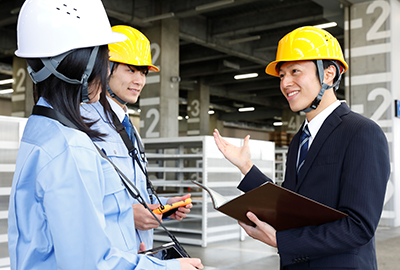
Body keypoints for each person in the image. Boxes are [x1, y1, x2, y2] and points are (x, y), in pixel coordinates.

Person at [7, 0, 203, 269]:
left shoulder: (45, 127)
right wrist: (170, 267)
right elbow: (90, 261)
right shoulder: (73, 142)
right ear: (86, 65)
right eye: (125, 68)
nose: (138, 80)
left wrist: (153, 214)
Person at [213, 26, 390, 269]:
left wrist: (281, 241)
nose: (285, 83)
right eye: (282, 75)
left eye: (295, 71)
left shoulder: (361, 133)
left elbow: (358, 227)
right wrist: (246, 167)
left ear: (328, 75)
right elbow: (292, 204)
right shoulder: (299, 140)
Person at [80, 25, 193, 252]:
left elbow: (135, 190)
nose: (139, 81)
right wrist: (125, 216)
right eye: (131, 70)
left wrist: (164, 206)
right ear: (105, 68)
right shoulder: (84, 123)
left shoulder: (129, 128)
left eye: (143, 72)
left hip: (136, 251)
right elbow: (74, 202)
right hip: (104, 256)